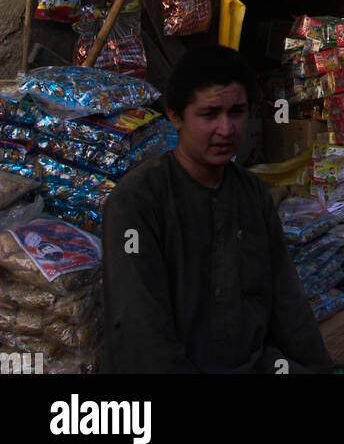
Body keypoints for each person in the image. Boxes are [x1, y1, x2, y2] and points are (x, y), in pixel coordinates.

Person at [101, 45, 332, 375]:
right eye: (209, 115)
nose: (226, 129)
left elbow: (287, 302)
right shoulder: (138, 200)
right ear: (176, 116)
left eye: (236, 112)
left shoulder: (252, 194)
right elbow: (141, 331)